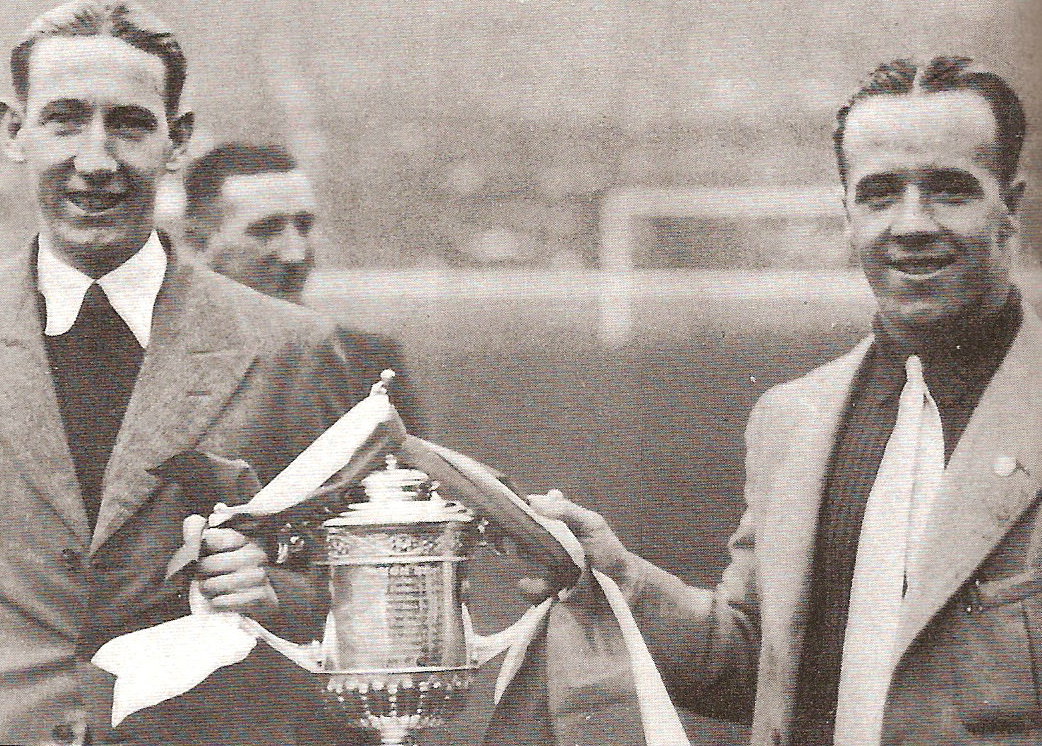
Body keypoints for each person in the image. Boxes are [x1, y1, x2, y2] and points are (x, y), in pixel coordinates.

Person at [524, 57, 1037, 745]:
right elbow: (754, 664)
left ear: (1012, 205)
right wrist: (615, 577)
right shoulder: (792, 420)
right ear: (847, 214)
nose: (912, 223)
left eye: (950, 190)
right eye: (880, 193)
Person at [0, 2, 373, 744]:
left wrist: (278, 594)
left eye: (132, 124)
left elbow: (375, 597)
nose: (97, 161)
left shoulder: (293, 350)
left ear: (178, 141)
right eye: (65, 119)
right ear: (15, 132)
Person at [183, 142, 423, 434]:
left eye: (304, 225)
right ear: (197, 240)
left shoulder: (368, 360)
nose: (294, 254)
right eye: (265, 230)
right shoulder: (156, 357)